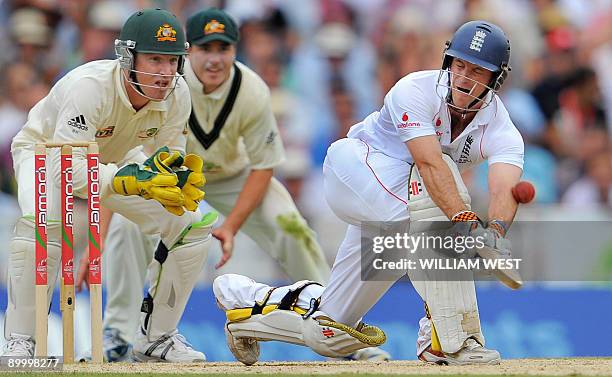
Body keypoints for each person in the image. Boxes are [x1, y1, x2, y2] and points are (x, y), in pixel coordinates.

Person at [214, 20, 525, 365]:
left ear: (496, 78)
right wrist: (467, 225)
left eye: (477, 71)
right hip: (355, 170)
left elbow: (504, 185)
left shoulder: (503, 129)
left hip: (397, 210)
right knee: (437, 193)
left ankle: (246, 308)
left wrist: (495, 231)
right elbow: (429, 165)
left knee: (330, 333)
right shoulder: (415, 90)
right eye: (459, 65)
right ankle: (451, 342)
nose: (464, 78)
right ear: (448, 63)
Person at [83, 8, 369, 362]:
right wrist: (97, 236)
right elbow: (124, 161)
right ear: (189, 52)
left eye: (224, 49)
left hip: (234, 176)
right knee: (127, 227)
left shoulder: (252, 90)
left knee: (292, 228)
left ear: (236, 50)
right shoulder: (165, 82)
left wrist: (231, 226)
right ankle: (120, 334)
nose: (215, 59)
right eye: (205, 49)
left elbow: (264, 167)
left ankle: (336, 326)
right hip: (171, 177)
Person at [1, 8, 220, 363]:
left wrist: (176, 180)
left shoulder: (178, 94)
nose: (165, 73)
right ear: (126, 57)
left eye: (172, 61)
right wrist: (128, 180)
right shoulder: (89, 88)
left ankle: (157, 338)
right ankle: (22, 340)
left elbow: (165, 159)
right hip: (45, 155)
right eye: (155, 60)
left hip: (117, 160)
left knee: (190, 223)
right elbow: (66, 173)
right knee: (45, 224)